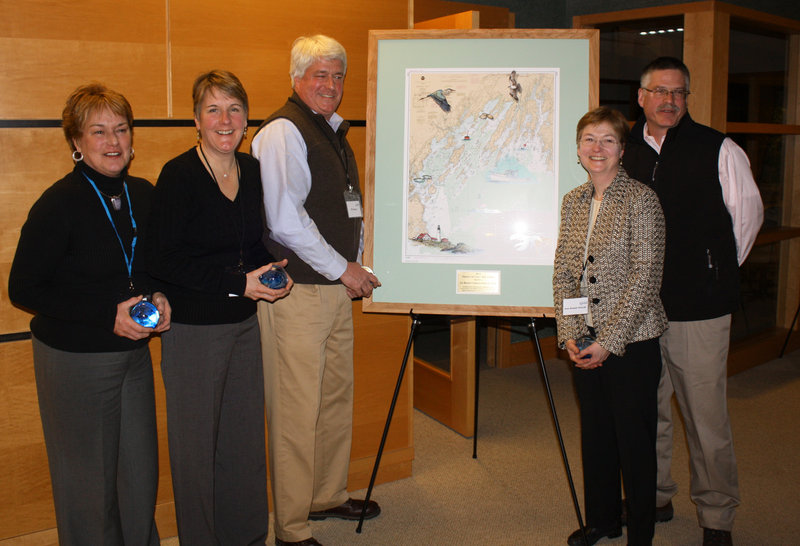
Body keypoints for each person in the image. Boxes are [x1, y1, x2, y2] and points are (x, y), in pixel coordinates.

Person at [8, 83, 169, 545]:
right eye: (98, 131)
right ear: (76, 142)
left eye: (121, 129)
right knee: (88, 490)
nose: (113, 141)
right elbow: (24, 288)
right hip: (76, 361)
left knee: (139, 480)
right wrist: (105, 314)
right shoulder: (58, 203)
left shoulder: (144, 193)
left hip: (133, 358)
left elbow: (151, 262)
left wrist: (159, 295)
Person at [144, 70, 292, 545]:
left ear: (247, 119)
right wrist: (237, 284)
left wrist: (273, 269)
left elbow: (252, 244)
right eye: (213, 109)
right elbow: (163, 260)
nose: (225, 120)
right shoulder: (179, 175)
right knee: (196, 451)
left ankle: (248, 537)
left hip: (244, 326)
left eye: (234, 109)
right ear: (196, 120)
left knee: (243, 442)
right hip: (194, 331)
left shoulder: (250, 170)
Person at [622, 57, 764, 546]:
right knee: (649, 409)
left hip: (699, 309)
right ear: (641, 97)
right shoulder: (622, 151)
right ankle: (657, 494)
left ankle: (717, 516)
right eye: (660, 91)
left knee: (705, 416)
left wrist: (712, 270)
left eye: (679, 93)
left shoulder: (719, 148)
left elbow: (745, 220)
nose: (670, 101)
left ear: (687, 98)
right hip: (638, 309)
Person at [251, 35, 381, 546]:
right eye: (319, 75)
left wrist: (358, 264)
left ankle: (325, 495)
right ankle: (290, 525)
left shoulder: (331, 132)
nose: (330, 84)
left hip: (332, 289)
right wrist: (343, 269)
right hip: (298, 295)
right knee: (296, 411)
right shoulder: (284, 131)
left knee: (333, 399)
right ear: (296, 78)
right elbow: (285, 220)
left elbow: (348, 209)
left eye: (337, 75)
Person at [554, 106, 667, 546]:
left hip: (632, 342)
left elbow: (646, 277)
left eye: (607, 140)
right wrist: (569, 332)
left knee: (634, 441)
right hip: (583, 336)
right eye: (589, 139)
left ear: (622, 149)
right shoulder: (574, 201)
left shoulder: (641, 199)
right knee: (596, 434)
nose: (596, 148)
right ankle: (602, 521)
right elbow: (565, 272)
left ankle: (641, 532)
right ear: (578, 149)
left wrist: (608, 342)